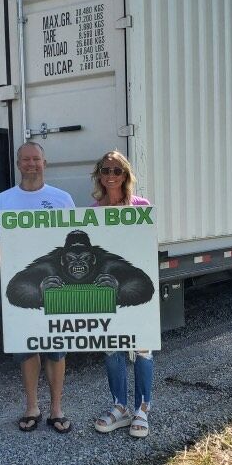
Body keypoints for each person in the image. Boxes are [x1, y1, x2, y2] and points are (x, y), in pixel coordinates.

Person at [0, 141, 75, 433]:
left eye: (36, 159)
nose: (31, 164)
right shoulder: (3, 200)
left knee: (56, 347)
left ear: (44, 163)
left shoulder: (62, 199)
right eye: (26, 159)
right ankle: (32, 406)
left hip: (56, 287)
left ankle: (57, 409)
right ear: (18, 164)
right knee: (27, 347)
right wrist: (8, 270)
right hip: (20, 289)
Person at [90, 150, 155, 438]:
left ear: (126, 175)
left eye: (117, 171)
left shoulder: (141, 207)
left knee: (142, 348)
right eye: (106, 170)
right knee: (112, 347)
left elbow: (146, 248)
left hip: (135, 290)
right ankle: (119, 406)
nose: (111, 176)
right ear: (99, 175)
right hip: (105, 292)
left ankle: (143, 408)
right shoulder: (92, 211)